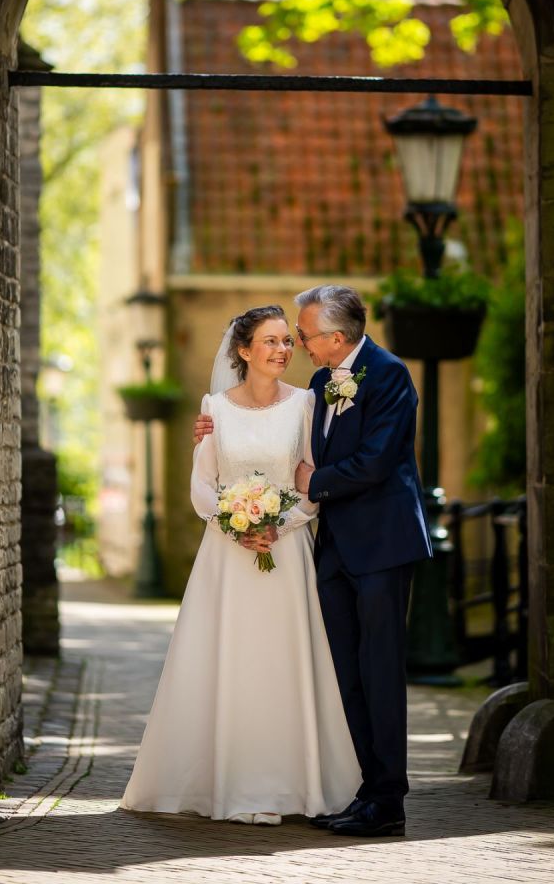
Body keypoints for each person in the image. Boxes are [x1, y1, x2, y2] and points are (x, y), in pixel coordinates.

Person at [195, 285, 432, 838]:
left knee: (379, 674)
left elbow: (375, 463)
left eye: (302, 335)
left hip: (382, 548)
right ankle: (362, 791)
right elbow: (288, 444)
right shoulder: (324, 384)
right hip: (334, 552)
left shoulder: (389, 373)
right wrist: (214, 432)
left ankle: (388, 802)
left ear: (337, 337)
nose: (298, 344)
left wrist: (314, 483)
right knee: (344, 674)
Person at [121, 305, 360, 826]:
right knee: (227, 659)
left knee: (282, 662)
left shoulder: (306, 404)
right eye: (269, 342)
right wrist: (235, 523)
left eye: (286, 342)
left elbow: (313, 481)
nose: (280, 351)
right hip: (227, 557)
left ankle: (292, 783)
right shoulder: (214, 410)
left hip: (286, 549)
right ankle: (225, 781)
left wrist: (283, 523)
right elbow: (202, 483)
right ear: (244, 351)